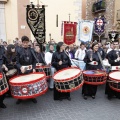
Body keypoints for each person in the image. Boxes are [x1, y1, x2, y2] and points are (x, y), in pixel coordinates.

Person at [16, 36, 37, 104]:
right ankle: (20, 98)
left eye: (26, 42)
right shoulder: (18, 50)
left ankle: (32, 96)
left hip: (30, 70)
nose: (25, 44)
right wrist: (20, 67)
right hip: (22, 70)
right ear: (22, 43)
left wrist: (34, 68)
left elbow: (34, 61)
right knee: (21, 84)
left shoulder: (32, 50)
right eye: (24, 42)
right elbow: (17, 62)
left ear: (28, 43)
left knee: (31, 84)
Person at [0, 39, 7, 108]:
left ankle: (1, 102)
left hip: (1, 71)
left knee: (3, 90)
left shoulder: (2, 48)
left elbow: (5, 58)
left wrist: (4, 65)